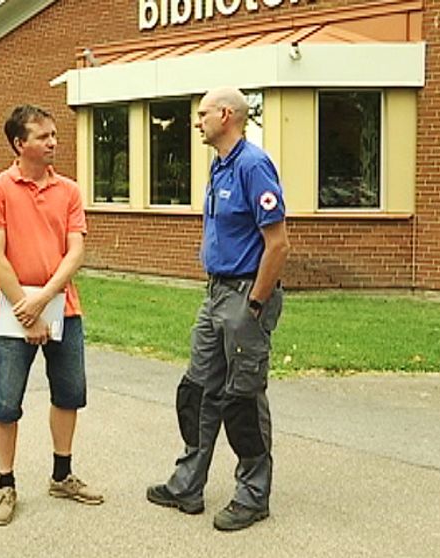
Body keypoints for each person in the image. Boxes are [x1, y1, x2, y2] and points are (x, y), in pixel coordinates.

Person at [146, 87, 290, 531]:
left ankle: (252, 496)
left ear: (226, 115)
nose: (197, 120)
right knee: (197, 389)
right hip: (214, 296)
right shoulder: (219, 166)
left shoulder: (252, 165)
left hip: (246, 296)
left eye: (203, 112)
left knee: (243, 399)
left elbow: (278, 244)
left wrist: (256, 305)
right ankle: (188, 483)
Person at [0, 105, 104, 526]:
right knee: (6, 402)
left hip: (63, 306)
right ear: (19, 143)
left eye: (54, 135)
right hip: (13, 311)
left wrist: (47, 298)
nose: (53, 142)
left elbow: (76, 251)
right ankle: (5, 485)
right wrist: (27, 313)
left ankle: (62, 476)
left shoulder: (68, 190)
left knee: (69, 393)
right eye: (44, 136)